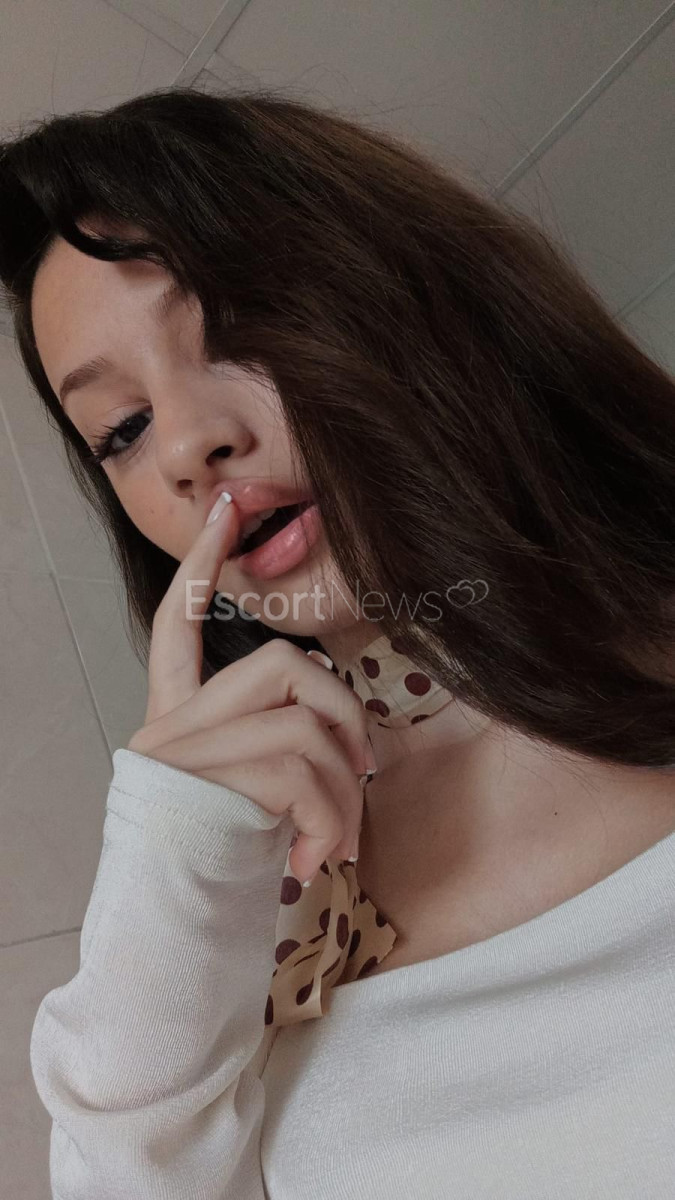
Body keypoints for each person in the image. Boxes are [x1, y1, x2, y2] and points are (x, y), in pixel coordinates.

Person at [1, 86, 674, 1198]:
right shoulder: (245, 892)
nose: (187, 447)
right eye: (123, 429)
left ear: (408, 291)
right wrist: (174, 853)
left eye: (233, 332)